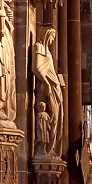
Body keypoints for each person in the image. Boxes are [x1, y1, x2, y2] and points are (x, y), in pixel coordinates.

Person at [32, 27, 64, 155]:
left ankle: (52, 148)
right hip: (46, 88)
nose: (52, 40)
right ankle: (44, 148)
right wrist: (47, 84)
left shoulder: (48, 52)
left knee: (57, 118)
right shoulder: (38, 47)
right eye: (51, 37)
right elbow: (36, 68)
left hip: (55, 88)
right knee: (50, 118)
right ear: (46, 35)